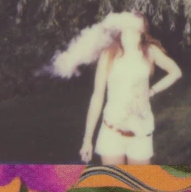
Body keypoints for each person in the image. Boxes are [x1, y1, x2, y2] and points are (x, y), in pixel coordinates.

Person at [52, 11, 182, 165]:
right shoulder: (108, 53)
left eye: (137, 26)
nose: (132, 30)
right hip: (111, 132)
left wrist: (152, 90)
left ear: (143, 29)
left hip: (141, 132)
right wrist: (87, 139)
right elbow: (97, 96)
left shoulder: (150, 51)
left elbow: (176, 72)